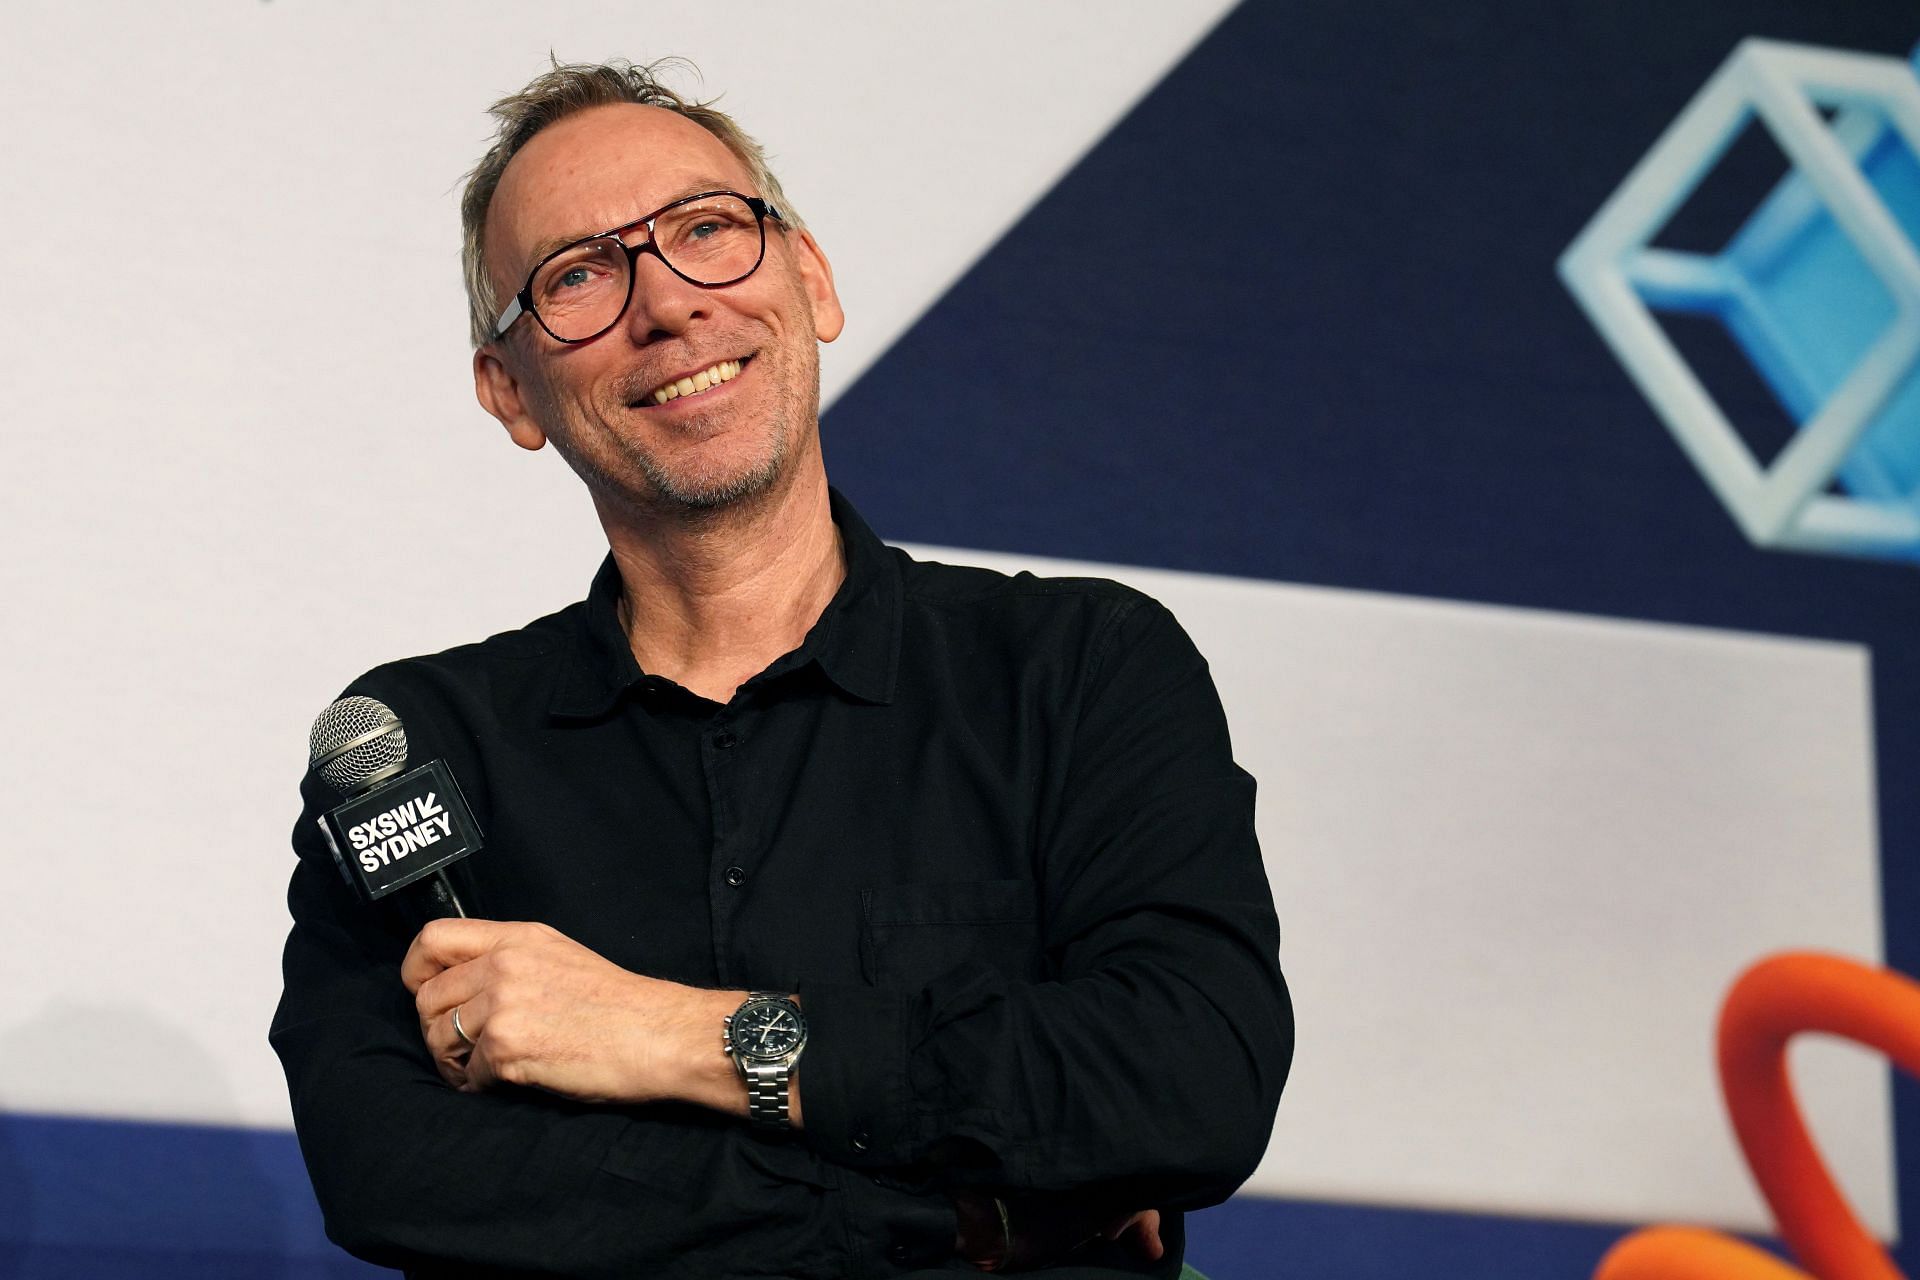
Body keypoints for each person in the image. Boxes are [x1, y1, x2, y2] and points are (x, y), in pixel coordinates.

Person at [271, 59, 1292, 1279]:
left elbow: (1190, 1082)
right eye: (580, 274)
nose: (668, 304)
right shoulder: (422, 747)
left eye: (707, 228)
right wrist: (972, 1215)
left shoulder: (1080, 669)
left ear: (809, 281)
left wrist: (660, 1035)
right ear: (511, 391)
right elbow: (396, 1174)